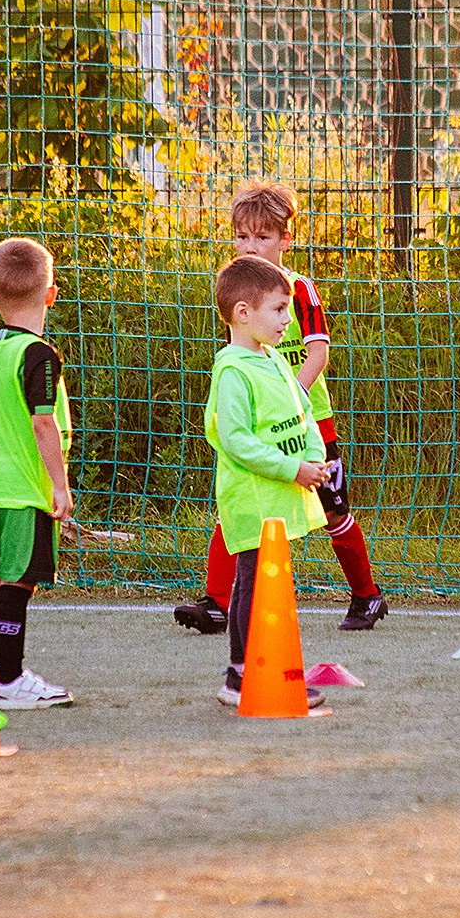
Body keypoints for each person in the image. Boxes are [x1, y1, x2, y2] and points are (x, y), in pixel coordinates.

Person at [176, 180, 387, 634]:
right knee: (238, 505)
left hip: (308, 421)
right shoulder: (237, 290)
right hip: (258, 425)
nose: (250, 246)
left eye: (263, 237)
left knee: (332, 508)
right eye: (242, 236)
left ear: (285, 240)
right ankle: (216, 602)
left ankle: (367, 595)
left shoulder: (299, 290)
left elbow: (318, 354)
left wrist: (291, 398)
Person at [203, 254, 330, 709]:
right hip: (252, 498)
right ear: (243, 312)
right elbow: (235, 440)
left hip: (280, 495)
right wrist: (291, 468)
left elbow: (302, 410)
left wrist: (314, 459)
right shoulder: (233, 369)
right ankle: (239, 676)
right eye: (278, 310)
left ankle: (267, 665)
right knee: (252, 582)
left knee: (266, 581)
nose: (287, 320)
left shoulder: (274, 360)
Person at [0, 237, 77, 710]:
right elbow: (41, 421)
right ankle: (9, 681)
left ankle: (3, 676)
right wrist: (59, 484)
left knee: (4, 580)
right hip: (24, 488)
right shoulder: (39, 354)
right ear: (52, 293)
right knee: (17, 582)